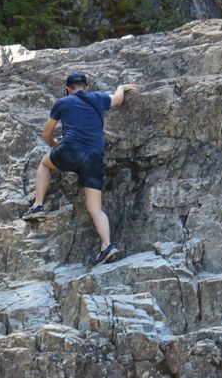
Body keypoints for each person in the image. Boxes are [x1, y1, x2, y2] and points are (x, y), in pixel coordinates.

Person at [22, 72, 139, 265]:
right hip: (94, 156)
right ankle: (107, 245)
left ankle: (38, 205)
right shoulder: (98, 98)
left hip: (71, 149)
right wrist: (122, 87)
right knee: (95, 208)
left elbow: (46, 133)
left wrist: (53, 146)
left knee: (44, 163)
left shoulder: (63, 102)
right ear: (86, 88)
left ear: (68, 90)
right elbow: (118, 99)